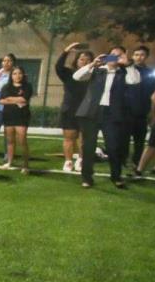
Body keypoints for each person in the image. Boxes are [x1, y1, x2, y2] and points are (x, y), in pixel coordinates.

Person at [72, 46, 141, 188]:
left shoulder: (124, 72)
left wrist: (128, 64)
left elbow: (134, 81)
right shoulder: (97, 70)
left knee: (114, 147)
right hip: (92, 112)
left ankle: (116, 177)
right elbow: (76, 76)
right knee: (88, 147)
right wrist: (92, 64)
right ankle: (87, 178)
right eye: (112, 55)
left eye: (119, 55)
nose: (115, 58)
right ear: (107, 56)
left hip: (112, 114)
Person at [56, 43, 94, 172]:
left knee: (83, 138)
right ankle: (68, 161)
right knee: (69, 137)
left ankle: (81, 160)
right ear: (76, 61)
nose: (85, 62)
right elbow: (58, 66)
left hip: (87, 110)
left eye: (88, 60)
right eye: (82, 59)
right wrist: (66, 51)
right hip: (69, 109)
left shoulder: (94, 75)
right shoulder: (68, 73)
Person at [124, 45, 155, 167]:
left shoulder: (151, 74)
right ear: (133, 56)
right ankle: (123, 160)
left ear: (147, 57)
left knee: (140, 140)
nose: (139, 57)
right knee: (124, 139)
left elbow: (154, 93)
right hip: (127, 111)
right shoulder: (126, 70)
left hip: (143, 112)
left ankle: (136, 161)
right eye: (137, 55)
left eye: (142, 55)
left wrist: (152, 113)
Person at [0, 67, 34, 174]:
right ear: (11, 76)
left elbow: (24, 99)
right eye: (14, 73)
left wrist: (9, 99)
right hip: (8, 116)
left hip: (22, 117)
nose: (17, 76)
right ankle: (9, 161)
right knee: (10, 141)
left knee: (22, 141)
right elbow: (1, 101)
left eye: (19, 73)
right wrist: (16, 100)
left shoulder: (27, 86)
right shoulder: (6, 86)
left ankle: (25, 165)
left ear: (23, 75)